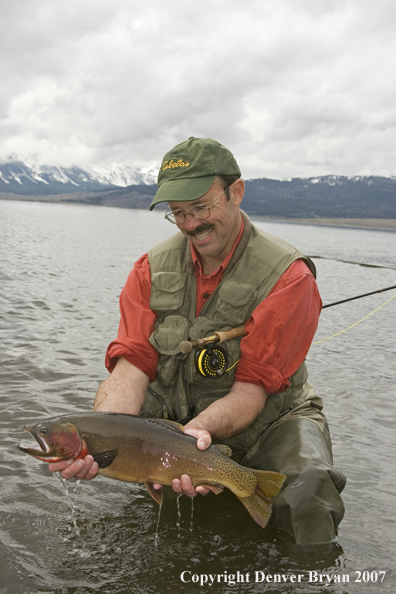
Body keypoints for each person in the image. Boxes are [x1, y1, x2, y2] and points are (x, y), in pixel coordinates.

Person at [49, 137, 346, 544]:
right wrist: (104, 436)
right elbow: (130, 369)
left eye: (202, 207)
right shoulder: (149, 269)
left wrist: (197, 439)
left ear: (236, 192)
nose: (191, 224)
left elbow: (251, 392)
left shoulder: (289, 278)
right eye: (178, 214)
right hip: (180, 423)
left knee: (309, 493)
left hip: (269, 419)